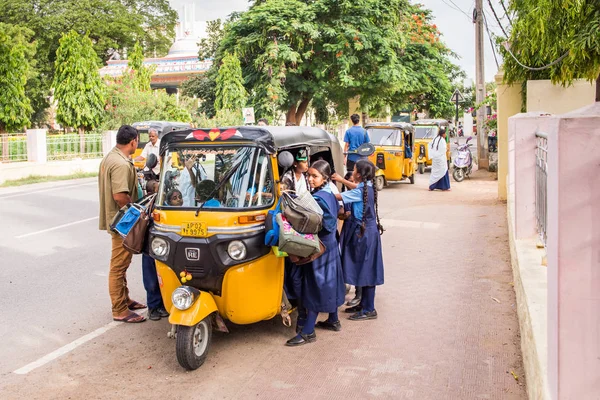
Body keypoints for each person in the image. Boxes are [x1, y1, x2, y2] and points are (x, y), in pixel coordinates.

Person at [286, 160, 345, 346]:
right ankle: (333, 319)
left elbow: (325, 224)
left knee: (314, 288)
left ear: (324, 177)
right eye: (309, 175)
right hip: (331, 246)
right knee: (330, 283)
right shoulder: (331, 191)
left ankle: (308, 332)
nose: (310, 179)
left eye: (315, 176)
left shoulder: (320, 198)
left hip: (320, 249)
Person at [98, 125, 146, 323]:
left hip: (115, 220)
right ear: (133, 141)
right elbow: (120, 196)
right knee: (118, 266)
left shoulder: (112, 156)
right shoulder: (120, 163)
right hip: (122, 223)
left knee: (123, 263)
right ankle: (119, 309)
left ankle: (125, 299)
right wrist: (135, 216)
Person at [332, 159, 385, 321]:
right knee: (365, 268)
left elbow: (337, 196)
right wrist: (341, 180)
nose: (352, 172)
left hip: (364, 234)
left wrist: (318, 191)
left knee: (367, 270)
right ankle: (364, 303)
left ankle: (369, 309)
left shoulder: (360, 191)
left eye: (354, 170)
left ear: (359, 175)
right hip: (368, 232)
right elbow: (355, 188)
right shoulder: (366, 187)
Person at [141, 180, 169, 321]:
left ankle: (163, 305)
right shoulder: (148, 206)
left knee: (163, 279)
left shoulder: (165, 205)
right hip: (150, 250)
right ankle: (152, 307)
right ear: (151, 193)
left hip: (163, 250)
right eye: (159, 189)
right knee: (151, 281)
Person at [343, 114, 370, 179]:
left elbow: (346, 145)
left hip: (352, 157)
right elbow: (367, 144)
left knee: (351, 176)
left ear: (352, 121)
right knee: (363, 176)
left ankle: (351, 187)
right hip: (363, 158)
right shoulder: (364, 131)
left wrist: (344, 158)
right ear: (359, 120)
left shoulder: (348, 131)